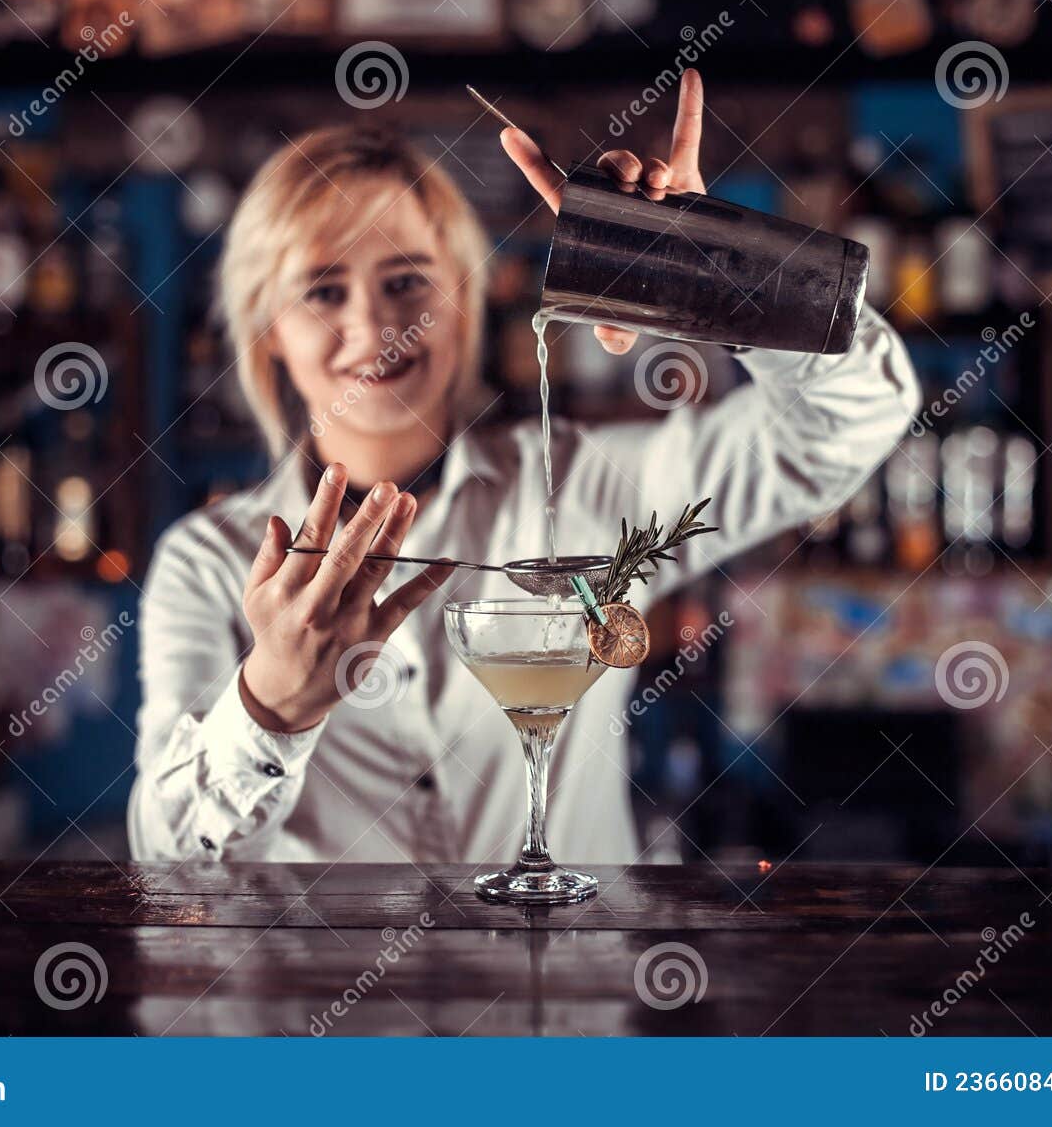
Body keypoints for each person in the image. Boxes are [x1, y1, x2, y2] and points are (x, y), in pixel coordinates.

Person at [128, 70, 919, 863]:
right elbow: (164, 853)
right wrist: (270, 707)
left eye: (407, 281)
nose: (372, 325)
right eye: (322, 292)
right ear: (268, 331)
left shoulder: (592, 484)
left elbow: (847, 426)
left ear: (463, 302)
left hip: (573, 984)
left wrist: (721, 274)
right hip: (321, 990)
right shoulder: (207, 564)